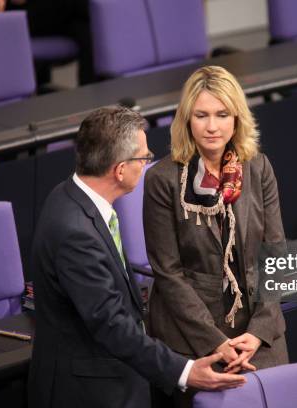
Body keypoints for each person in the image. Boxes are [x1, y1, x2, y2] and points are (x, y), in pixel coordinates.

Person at [28, 105, 246, 408]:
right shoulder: (75, 233)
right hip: (90, 392)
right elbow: (111, 324)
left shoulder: (68, 195)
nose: (146, 163)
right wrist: (184, 371)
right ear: (119, 169)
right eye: (143, 158)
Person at [144, 66, 289, 404]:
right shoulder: (163, 179)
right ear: (186, 119)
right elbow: (168, 273)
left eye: (222, 114)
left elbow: (277, 254)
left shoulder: (258, 167)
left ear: (237, 118)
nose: (212, 126)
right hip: (193, 332)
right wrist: (215, 341)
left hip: (257, 326)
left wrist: (258, 333)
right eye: (202, 115)